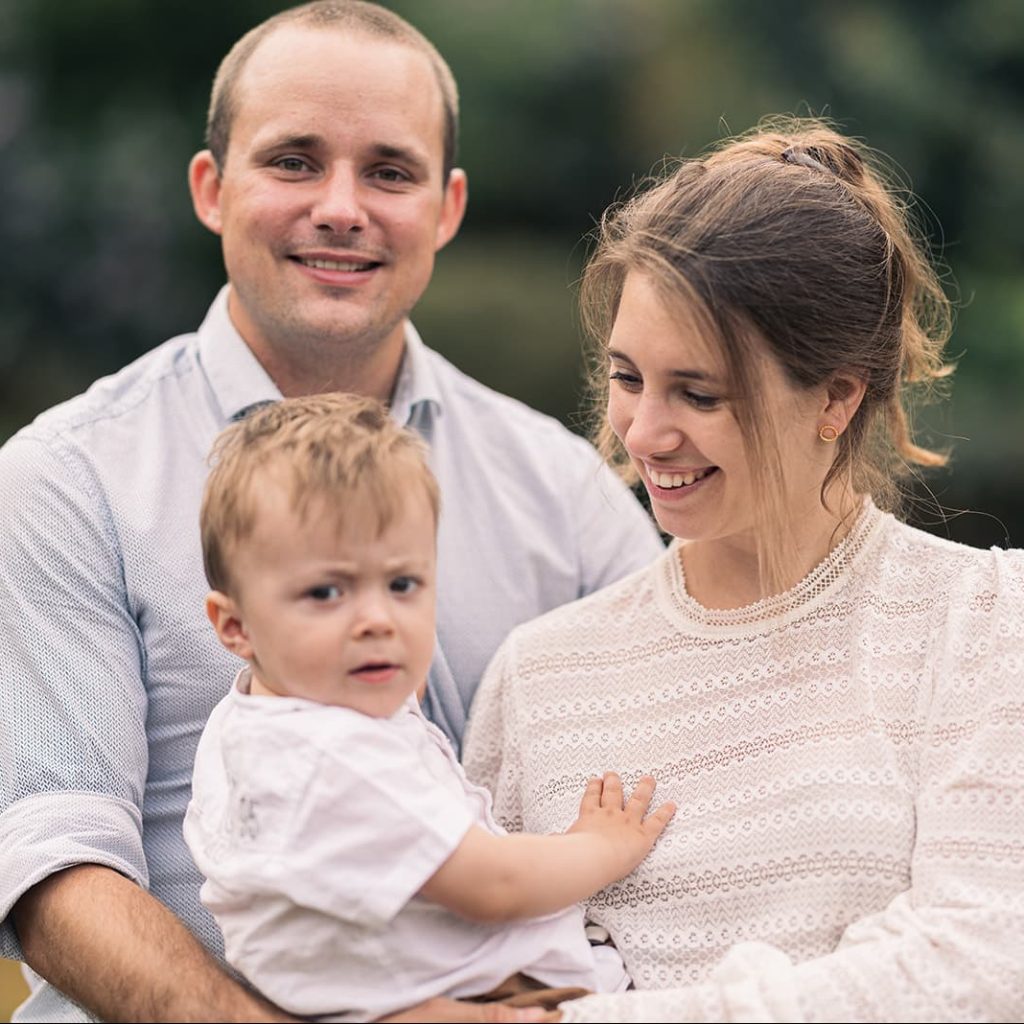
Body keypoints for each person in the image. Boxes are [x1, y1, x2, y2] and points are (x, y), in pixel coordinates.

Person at [0, 3, 663, 1021]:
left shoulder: (564, 492)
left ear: (445, 209)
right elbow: (53, 854)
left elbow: (679, 760)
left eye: (388, 172)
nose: (342, 207)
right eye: (295, 162)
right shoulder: (66, 479)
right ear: (212, 190)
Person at [463, 117, 1024, 1022]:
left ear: (837, 397)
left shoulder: (986, 623)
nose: (643, 434)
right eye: (627, 377)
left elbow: (978, 971)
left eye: (699, 393)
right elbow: (476, 971)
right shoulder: (540, 676)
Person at [183, 393, 675, 1021]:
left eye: (402, 584)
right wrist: (603, 846)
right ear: (235, 627)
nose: (376, 620)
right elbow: (495, 886)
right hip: (496, 993)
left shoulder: (253, 724)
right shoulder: (340, 763)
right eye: (326, 592)